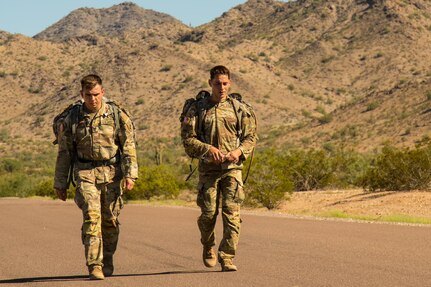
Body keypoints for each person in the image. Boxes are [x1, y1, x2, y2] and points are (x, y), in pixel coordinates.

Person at [54, 74, 138, 280]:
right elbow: (64, 153)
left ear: (103, 92)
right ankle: (94, 265)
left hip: (112, 173)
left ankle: (107, 257)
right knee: (92, 217)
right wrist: (60, 182)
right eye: (88, 95)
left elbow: (128, 147)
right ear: (82, 94)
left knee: (110, 221)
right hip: (85, 172)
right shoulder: (72, 118)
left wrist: (130, 175)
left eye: (96, 94)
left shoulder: (117, 115)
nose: (93, 99)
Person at [180, 65, 257, 271]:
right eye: (217, 84)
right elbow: (188, 139)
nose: (221, 88)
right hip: (208, 170)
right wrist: (207, 149)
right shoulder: (197, 109)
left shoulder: (239, 109)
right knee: (208, 214)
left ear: (230, 83)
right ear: (210, 84)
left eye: (225, 83)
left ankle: (227, 257)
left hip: (232, 169)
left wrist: (238, 152)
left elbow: (251, 137)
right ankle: (208, 245)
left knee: (232, 214)